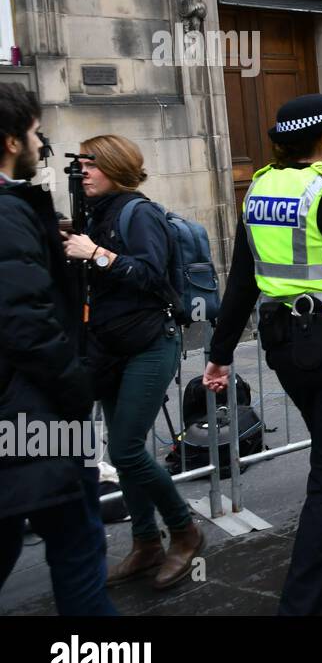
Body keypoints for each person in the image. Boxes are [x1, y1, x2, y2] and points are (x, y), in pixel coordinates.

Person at [202, 94, 322, 615]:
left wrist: (220, 351)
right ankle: (301, 605)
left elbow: (242, 277)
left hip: (283, 344)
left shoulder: (259, 189)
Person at [61, 134, 203, 590]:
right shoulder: (93, 213)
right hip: (107, 345)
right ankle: (146, 543)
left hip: (148, 342)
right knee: (129, 454)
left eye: (92, 165)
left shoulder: (137, 212)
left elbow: (150, 274)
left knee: (124, 449)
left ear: (115, 167)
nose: (83, 172)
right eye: (80, 165)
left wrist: (97, 254)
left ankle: (184, 530)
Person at [0, 83, 115, 615]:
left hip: (26, 416)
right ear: (9, 141)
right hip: (33, 415)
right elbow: (23, 321)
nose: (38, 143)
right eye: (31, 133)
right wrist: (75, 387)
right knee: (78, 547)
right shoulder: (6, 213)